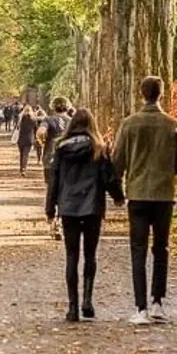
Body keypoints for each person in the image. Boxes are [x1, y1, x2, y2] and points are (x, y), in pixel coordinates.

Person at [113, 76, 177, 325]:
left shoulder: (129, 124)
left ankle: (140, 307)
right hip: (163, 195)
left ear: (141, 93)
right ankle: (158, 302)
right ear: (161, 94)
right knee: (161, 249)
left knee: (138, 249)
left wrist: (120, 183)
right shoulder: (173, 125)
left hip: (137, 194)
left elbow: (118, 161)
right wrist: (165, 173)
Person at [45, 108, 124, 322]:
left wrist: (50, 208)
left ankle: (72, 307)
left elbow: (55, 179)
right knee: (90, 255)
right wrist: (118, 196)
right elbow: (108, 177)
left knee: (71, 256)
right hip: (92, 207)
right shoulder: (99, 148)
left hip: (69, 206)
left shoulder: (61, 149)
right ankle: (87, 300)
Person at [38, 97, 73, 238]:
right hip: (68, 160)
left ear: (53, 107)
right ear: (67, 107)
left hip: (50, 160)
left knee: (51, 189)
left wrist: (42, 141)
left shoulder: (48, 120)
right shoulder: (72, 121)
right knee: (65, 190)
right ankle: (61, 219)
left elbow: (40, 132)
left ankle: (52, 219)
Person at [15, 105, 38, 176]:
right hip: (29, 139)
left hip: (21, 138)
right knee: (26, 154)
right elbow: (36, 129)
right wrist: (35, 138)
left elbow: (17, 127)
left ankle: (21, 168)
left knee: (21, 154)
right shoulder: (33, 119)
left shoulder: (21, 118)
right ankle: (24, 169)